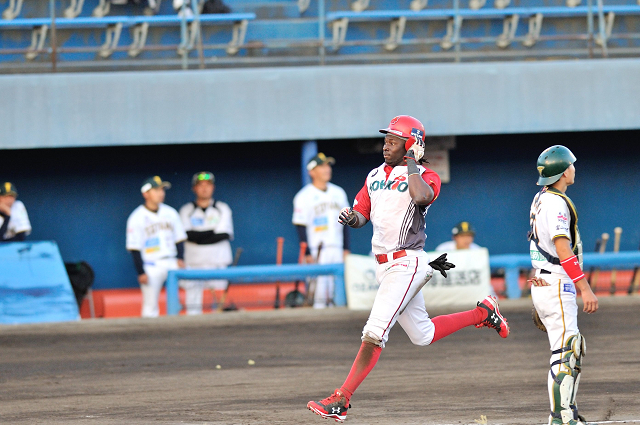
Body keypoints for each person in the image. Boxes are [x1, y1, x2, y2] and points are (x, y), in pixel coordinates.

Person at [307, 115, 510, 423]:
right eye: (386, 139)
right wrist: (353, 219)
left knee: (374, 333)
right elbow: (363, 212)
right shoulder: (375, 173)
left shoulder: (425, 175)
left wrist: (413, 162)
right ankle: (483, 313)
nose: (385, 145)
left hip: (406, 262)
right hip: (383, 265)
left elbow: (422, 196)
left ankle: (341, 400)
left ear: (411, 144)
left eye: (392, 140)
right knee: (423, 335)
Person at [527, 145, 598, 425]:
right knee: (566, 352)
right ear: (563, 171)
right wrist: (585, 287)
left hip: (546, 279)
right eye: (571, 164)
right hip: (556, 280)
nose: (574, 168)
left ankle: (569, 412)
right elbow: (562, 248)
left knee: (569, 349)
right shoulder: (556, 202)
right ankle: (561, 418)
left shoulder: (542, 196)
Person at [292, 152, 350, 308]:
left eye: (328, 166)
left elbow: (345, 222)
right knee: (318, 293)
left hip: (337, 248)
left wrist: (346, 248)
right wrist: (307, 253)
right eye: (322, 166)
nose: (327, 169)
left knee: (337, 291)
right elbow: (300, 226)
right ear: (312, 172)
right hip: (317, 249)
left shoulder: (339, 192)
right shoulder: (303, 196)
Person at [126, 176, 187, 318]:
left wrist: (181, 258)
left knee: (187, 291)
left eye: (162, 190)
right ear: (145, 193)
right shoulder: (136, 217)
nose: (161, 193)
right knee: (150, 305)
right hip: (151, 264)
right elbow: (134, 248)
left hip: (172, 260)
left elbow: (179, 238)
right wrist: (140, 271)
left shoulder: (170, 212)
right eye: (156, 190)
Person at [179, 171, 234, 315]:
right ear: (194, 188)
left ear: (213, 187)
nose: (204, 188)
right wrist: (211, 232)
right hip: (194, 264)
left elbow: (223, 235)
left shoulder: (222, 208)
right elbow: (188, 235)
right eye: (200, 185)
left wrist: (198, 236)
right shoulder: (186, 210)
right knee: (193, 306)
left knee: (219, 305)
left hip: (218, 262)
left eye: (208, 185)